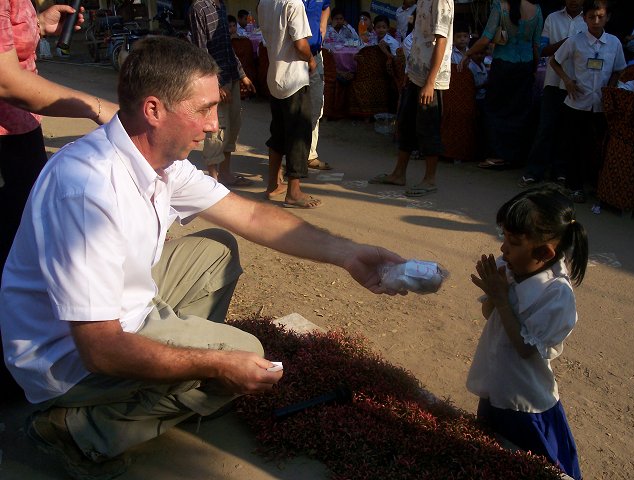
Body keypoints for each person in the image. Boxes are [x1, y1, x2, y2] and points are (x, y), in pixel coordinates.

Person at [0, 36, 407, 479]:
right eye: (203, 109)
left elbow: (250, 214)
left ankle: (171, 383)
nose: (214, 125)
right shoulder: (88, 191)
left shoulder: (156, 159)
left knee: (216, 250)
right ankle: (79, 431)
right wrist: (216, 364)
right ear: (153, 110)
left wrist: (348, 254)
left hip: (117, 313)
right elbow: (100, 349)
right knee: (244, 354)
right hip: (64, 359)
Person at [0, 0, 118, 401]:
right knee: (10, 253)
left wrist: (37, 24)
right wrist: (97, 107)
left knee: (26, 242)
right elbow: (7, 81)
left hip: (20, 131)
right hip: (4, 142)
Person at [467, 185, 587, 480]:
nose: (503, 249)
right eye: (504, 237)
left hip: (525, 406)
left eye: (514, 241)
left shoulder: (556, 295)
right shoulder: (509, 267)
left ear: (544, 252)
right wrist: (493, 295)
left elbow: (524, 348)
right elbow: (489, 315)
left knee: (535, 468)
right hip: (497, 386)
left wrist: (502, 298)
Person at [368, 0, 454, 197]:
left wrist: (430, 82)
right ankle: (399, 173)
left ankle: (430, 179)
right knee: (406, 124)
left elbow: (441, 40)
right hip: (415, 72)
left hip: (431, 78)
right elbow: (417, 36)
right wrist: (409, 69)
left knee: (428, 127)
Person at [549, 0, 626, 203]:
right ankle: (575, 187)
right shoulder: (575, 41)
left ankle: (596, 185)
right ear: (584, 18)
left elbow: (619, 69)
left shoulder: (614, 43)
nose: (596, 21)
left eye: (600, 16)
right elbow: (554, 61)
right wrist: (567, 80)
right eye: (591, 17)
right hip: (577, 103)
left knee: (597, 147)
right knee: (574, 146)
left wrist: (610, 89)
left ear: (607, 17)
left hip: (601, 105)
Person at [460, 0, 543, 170]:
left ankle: (496, 156)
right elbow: (536, 45)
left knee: (495, 109)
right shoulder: (537, 10)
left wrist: (468, 53)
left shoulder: (500, 7)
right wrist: (534, 68)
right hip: (525, 65)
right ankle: (516, 156)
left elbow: (486, 38)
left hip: (503, 65)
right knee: (520, 111)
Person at [259, 0, 322, 208]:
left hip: (275, 76)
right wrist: (311, 60)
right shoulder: (294, 3)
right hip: (294, 79)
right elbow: (301, 45)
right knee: (298, 135)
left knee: (278, 133)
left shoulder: (264, 3)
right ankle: (293, 192)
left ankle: (272, 185)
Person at [187, 0, 256, 187]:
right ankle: (214, 179)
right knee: (217, 130)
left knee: (233, 127)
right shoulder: (199, 8)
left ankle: (225, 174)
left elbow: (227, 46)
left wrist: (242, 75)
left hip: (231, 77)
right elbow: (201, 52)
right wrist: (215, 85)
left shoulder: (221, 6)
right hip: (216, 82)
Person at [519, 0, 587, 188]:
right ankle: (534, 171)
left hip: (577, 84)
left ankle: (561, 171)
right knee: (545, 128)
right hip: (553, 82)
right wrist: (566, 43)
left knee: (567, 130)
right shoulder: (553, 18)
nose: (574, 1)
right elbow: (543, 50)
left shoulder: (588, 20)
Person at [304, 0, 333, 171]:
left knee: (316, 105)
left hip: (316, 56)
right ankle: (290, 157)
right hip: (292, 57)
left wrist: (322, 27)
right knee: (293, 108)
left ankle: (310, 154)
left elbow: (325, 7)